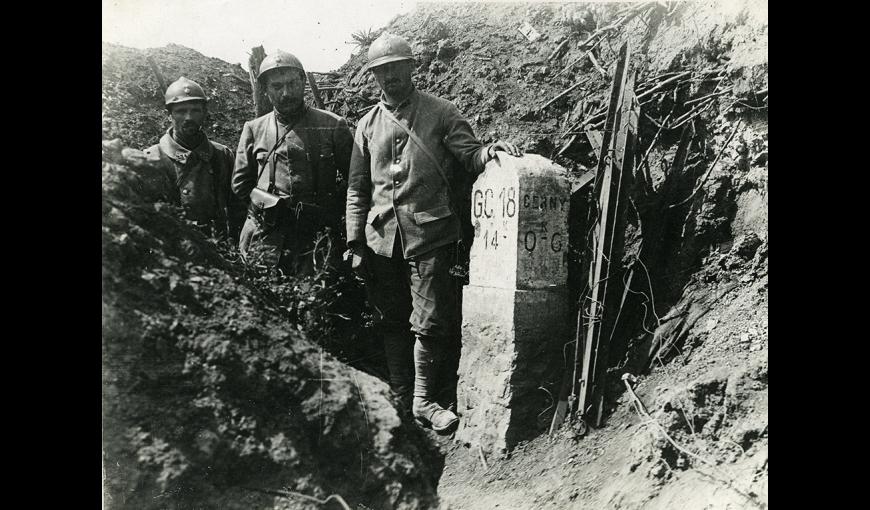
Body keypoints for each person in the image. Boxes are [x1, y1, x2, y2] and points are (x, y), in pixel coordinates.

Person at [345, 33, 522, 433]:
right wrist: (355, 242)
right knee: (391, 318)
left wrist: (490, 153)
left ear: (411, 67)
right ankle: (401, 396)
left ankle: (424, 401)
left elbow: (469, 154)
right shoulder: (367, 125)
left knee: (430, 320)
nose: (389, 77)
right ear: (374, 76)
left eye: (395, 68)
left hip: (428, 234)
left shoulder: (441, 112)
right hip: (380, 240)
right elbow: (357, 189)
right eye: (381, 71)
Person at [232, 51, 353, 276]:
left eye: (292, 84)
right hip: (266, 237)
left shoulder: (332, 125)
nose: (286, 93)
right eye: (277, 86)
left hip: (316, 236)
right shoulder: (254, 129)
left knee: (316, 301)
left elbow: (355, 182)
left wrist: (329, 210)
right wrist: (266, 208)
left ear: (303, 82)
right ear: (266, 90)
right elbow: (240, 186)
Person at [142, 77, 245, 242]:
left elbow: (238, 209)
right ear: (169, 115)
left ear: (204, 113)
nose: (188, 117)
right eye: (181, 111)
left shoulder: (221, 156)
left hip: (218, 250)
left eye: (195, 110)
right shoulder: (151, 159)